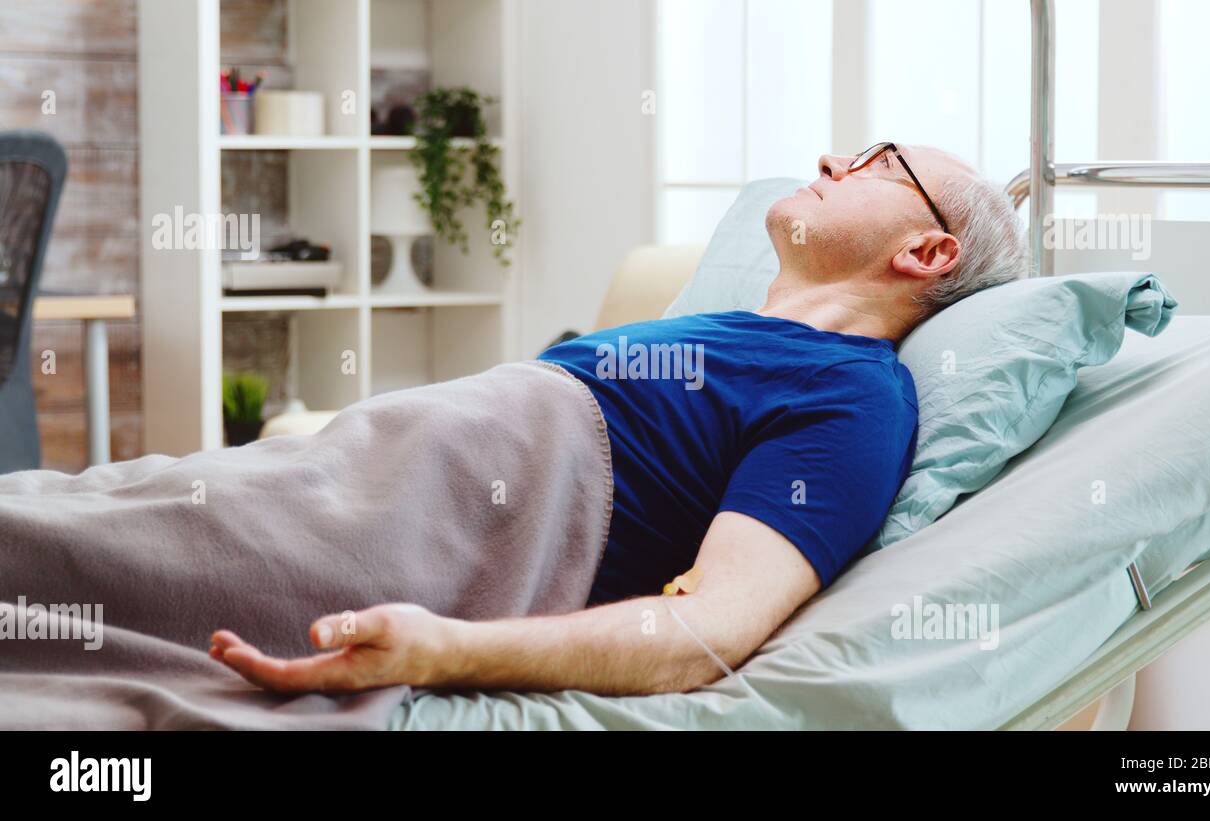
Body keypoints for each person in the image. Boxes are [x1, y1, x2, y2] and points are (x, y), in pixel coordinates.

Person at [211, 143, 1029, 696]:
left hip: (409, 531)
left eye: (879, 163)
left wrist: (445, 648)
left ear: (925, 253)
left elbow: (708, 627)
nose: (830, 159)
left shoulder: (852, 398)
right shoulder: (722, 337)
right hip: (340, 472)